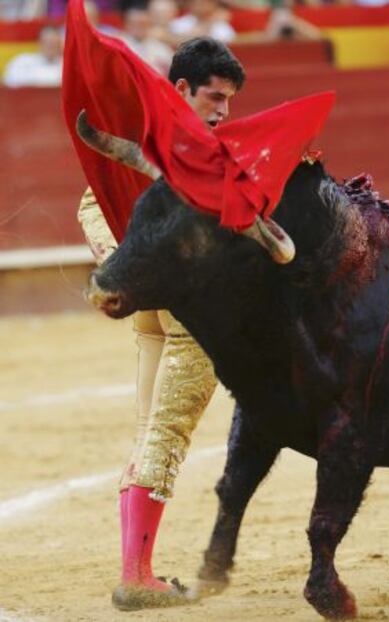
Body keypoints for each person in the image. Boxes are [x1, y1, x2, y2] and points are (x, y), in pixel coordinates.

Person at [77, 35, 246, 611]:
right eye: (214, 97)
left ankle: (136, 565)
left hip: (155, 307)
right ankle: (136, 574)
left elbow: (90, 204)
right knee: (166, 433)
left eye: (229, 101)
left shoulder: (143, 143)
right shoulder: (201, 154)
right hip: (190, 314)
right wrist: (135, 268)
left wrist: (123, 265)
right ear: (180, 89)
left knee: (151, 427)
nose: (223, 111)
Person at [120, 6, 173, 75]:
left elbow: (172, 67)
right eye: (136, 24)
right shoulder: (120, 45)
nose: (140, 28)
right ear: (127, 24)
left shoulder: (159, 46)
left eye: (143, 24)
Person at [169, 0, 236, 44]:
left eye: (204, 3)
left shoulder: (220, 24)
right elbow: (175, 40)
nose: (199, 6)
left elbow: (228, 41)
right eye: (195, 2)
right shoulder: (180, 23)